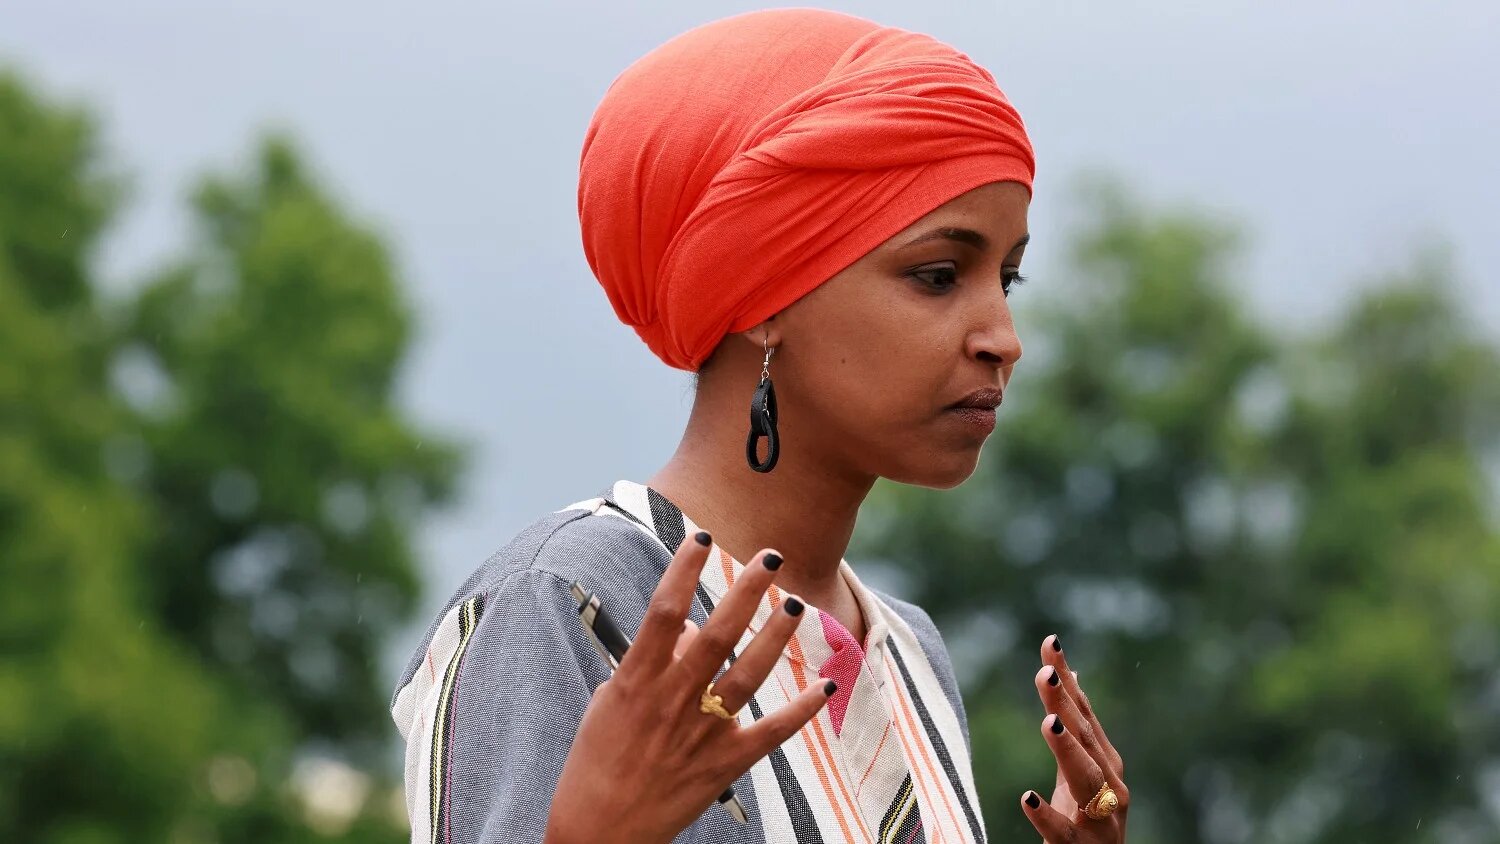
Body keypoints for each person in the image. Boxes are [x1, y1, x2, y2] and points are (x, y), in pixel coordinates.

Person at [392, 7, 1129, 843]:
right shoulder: (570, 600)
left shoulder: (908, 649)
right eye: (937, 275)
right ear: (763, 295)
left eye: (1009, 278)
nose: (1004, 338)